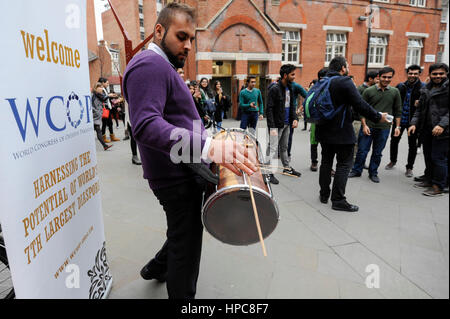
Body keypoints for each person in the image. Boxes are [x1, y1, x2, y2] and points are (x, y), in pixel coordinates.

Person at [123, 3, 257, 299]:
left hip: (181, 168)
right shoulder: (149, 64)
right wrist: (209, 146)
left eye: (191, 40)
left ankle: (155, 268)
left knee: (182, 230)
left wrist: (208, 136)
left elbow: (174, 117)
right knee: (187, 245)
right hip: (175, 176)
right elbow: (144, 126)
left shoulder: (160, 66)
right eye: (181, 36)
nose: (187, 46)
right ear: (158, 30)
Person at [315, 56, 388, 212]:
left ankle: (323, 194)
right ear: (342, 68)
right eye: (347, 66)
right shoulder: (344, 81)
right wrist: (377, 116)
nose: (348, 69)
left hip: (323, 131)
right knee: (343, 165)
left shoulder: (322, 82)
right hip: (342, 133)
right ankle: (338, 200)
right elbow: (360, 104)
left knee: (326, 162)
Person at [349, 67, 402, 183]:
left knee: (377, 153)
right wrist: (364, 125)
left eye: (389, 77)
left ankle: (373, 173)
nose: (386, 79)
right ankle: (356, 170)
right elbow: (361, 109)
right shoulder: (368, 91)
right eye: (384, 77)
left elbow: (398, 110)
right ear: (379, 77)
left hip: (384, 129)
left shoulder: (395, 92)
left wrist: (397, 127)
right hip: (369, 126)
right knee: (362, 150)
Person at [408, 62, 449, 196]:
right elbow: (419, 109)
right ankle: (429, 179)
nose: (438, 76)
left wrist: (442, 125)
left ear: (446, 74)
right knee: (428, 157)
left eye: (441, 73)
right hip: (426, 129)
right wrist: (413, 123)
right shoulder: (426, 89)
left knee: (438, 158)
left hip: (443, 132)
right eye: (435, 74)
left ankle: (438, 186)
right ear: (430, 75)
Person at [385, 64, 425, 177]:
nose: (412, 75)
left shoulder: (423, 87)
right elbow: (393, 102)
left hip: (413, 122)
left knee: (412, 145)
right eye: (410, 73)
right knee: (394, 141)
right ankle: (393, 161)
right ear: (407, 73)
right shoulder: (400, 86)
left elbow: (427, 104)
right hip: (399, 120)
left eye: (415, 73)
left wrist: (420, 103)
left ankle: (409, 167)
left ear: (419, 74)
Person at [266, 64, 301, 184]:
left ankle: (287, 168)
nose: (294, 77)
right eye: (292, 74)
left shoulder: (290, 88)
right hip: (276, 125)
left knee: (284, 148)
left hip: (287, 123)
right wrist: (272, 127)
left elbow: (292, 106)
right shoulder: (274, 89)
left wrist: (295, 118)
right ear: (285, 75)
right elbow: (269, 109)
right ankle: (268, 173)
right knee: (272, 149)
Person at [287, 81, 307, 161]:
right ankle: (278, 153)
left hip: (291, 114)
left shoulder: (295, 86)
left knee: (289, 136)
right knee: (278, 135)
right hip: (279, 115)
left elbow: (307, 96)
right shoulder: (278, 85)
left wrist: (300, 108)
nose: (294, 77)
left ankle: (287, 154)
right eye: (292, 74)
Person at [91, 83, 112, 151]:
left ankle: (105, 145)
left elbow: (104, 99)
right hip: (95, 116)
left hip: (97, 115)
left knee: (97, 130)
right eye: (100, 87)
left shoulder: (98, 95)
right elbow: (90, 105)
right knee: (98, 130)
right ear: (96, 88)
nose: (101, 88)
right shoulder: (94, 95)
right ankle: (104, 145)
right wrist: (96, 111)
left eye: (102, 87)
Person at [98, 78, 120, 142]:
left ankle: (112, 136)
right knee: (105, 123)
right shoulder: (100, 89)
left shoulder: (104, 89)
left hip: (107, 108)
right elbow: (102, 98)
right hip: (104, 109)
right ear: (102, 83)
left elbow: (106, 98)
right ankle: (104, 138)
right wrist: (109, 95)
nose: (108, 84)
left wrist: (111, 96)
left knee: (110, 123)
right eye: (107, 83)